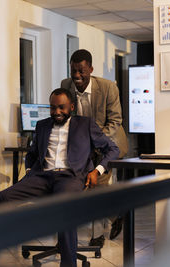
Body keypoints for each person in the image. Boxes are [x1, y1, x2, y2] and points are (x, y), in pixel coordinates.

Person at [0, 88, 119, 267]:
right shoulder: (42, 125)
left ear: (72, 107)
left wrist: (96, 171)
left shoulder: (86, 124)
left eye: (62, 107)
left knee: (64, 207)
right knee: (2, 198)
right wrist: (29, 171)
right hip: (42, 176)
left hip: (71, 177)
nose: (57, 112)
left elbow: (113, 149)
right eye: (53, 108)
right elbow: (32, 153)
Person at [61, 49, 128, 246]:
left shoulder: (108, 87)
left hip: (107, 144)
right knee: (83, 186)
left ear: (90, 69)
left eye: (81, 71)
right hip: (82, 146)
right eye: (73, 70)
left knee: (96, 185)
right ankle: (116, 215)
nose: (77, 76)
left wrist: (95, 142)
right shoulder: (66, 85)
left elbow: (115, 121)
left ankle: (97, 235)